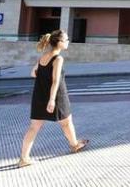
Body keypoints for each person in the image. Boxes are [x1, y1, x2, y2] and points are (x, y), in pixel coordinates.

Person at [18, 29, 88, 167]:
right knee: (66, 122)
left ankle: (24, 158)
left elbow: (33, 73)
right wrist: (51, 99)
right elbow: (56, 80)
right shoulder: (58, 58)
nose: (68, 42)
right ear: (60, 42)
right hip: (57, 96)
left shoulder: (43, 56)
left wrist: (43, 77)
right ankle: (74, 145)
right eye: (66, 40)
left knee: (34, 127)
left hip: (39, 95)